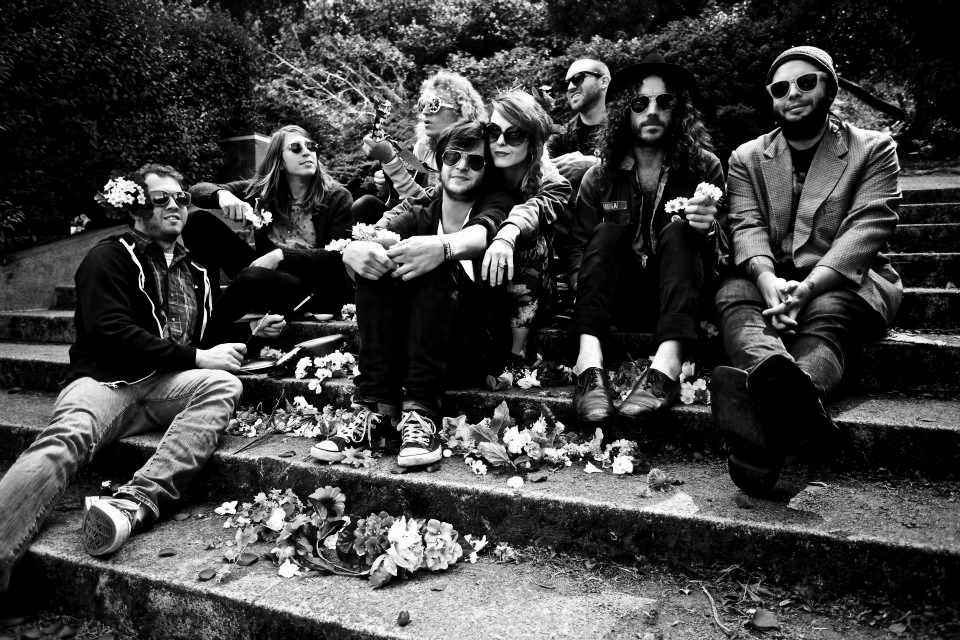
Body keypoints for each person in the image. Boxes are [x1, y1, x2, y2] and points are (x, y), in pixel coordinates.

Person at [0, 164, 257, 592]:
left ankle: (134, 503)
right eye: (161, 199)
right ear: (137, 209)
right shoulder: (109, 255)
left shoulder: (199, 272)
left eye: (182, 198)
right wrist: (197, 356)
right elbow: (110, 331)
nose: (175, 205)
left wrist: (253, 333)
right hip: (105, 381)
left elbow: (203, 340)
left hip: (165, 385)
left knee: (224, 384)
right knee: (66, 438)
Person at [712, 46, 902, 496]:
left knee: (827, 313)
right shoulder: (747, 157)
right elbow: (746, 226)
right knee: (732, 294)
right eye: (780, 88)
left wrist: (809, 288)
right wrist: (767, 282)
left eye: (805, 82)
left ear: (830, 89)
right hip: (771, 277)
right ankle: (794, 400)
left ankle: (773, 417)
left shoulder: (874, 148)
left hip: (846, 279)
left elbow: (867, 227)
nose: (792, 94)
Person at [312, 121, 514, 467]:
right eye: (452, 156)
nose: (462, 166)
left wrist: (441, 248)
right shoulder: (424, 208)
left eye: (475, 160)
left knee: (429, 256)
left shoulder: (497, 201)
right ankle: (375, 408)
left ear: (487, 169)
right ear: (440, 161)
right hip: (414, 345)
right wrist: (355, 252)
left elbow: (482, 233)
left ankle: (422, 411)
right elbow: (378, 235)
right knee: (378, 260)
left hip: (472, 346)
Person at [566, 53, 726, 427]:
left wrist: (708, 230)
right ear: (625, 111)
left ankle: (667, 365)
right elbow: (576, 251)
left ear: (679, 110)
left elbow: (726, 254)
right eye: (640, 103)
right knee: (606, 231)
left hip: (681, 298)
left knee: (681, 228)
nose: (652, 111)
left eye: (664, 101)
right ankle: (588, 363)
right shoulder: (600, 177)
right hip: (618, 299)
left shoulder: (705, 167)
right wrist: (583, 290)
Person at [185, 125, 354, 335]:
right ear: (279, 161)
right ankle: (207, 302)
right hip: (262, 276)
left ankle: (203, 334)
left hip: (312, 290)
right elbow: (197, 191)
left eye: (311, 146)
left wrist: (282, 255)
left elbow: (338, 255)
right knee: (197, 221)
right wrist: (222, 195)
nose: (306, 152)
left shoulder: (337, 196)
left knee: (252, 276)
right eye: (295, 148)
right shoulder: (264, 191)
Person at [478, 90, 572, 371]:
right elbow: (435, 198)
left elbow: (534, 210)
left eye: (514, 135)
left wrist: (508, 234)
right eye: (494, 131)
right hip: (483, 281)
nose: (500, 142)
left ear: (532, 142)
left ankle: (516, 354)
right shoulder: (478, 169)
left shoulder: (554, 184)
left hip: (534, 292)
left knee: (532, 242)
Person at [352, 71, 487, 225]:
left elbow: (429, 205)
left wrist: (391, 162)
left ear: (460, 110)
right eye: (423, 104)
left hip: (447, 224)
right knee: (365, 205)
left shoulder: (473, 154)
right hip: (417, 218)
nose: (425, 112)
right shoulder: (424, 148)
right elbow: (407, 199)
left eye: (434, 105)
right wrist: (390, 180)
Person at [546, 59, 610, 252]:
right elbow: (539, 170)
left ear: (604, 81)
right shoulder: (562, 136)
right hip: (574, 245)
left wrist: (591, 165)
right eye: (568, 82)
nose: (570, 87)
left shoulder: (628, 127)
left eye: (578, 78)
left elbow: (645, 166)